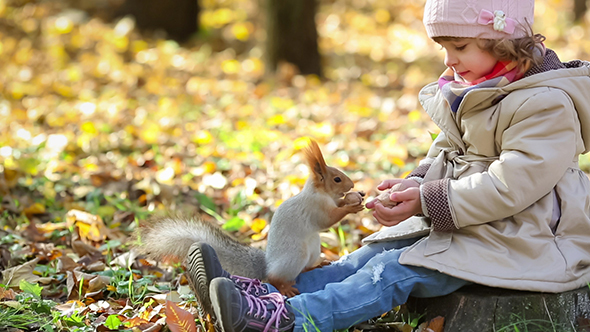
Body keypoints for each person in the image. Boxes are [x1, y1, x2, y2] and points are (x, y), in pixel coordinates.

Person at [188, 0, 590, 331]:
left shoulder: (545, 104)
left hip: (523, 240)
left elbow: (512, 185)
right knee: (366, 257)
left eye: (460, 47)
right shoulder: (479, 89)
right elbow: (445, 151)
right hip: (478, 224)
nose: (449, 60)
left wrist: (427, 200)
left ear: (503, 42)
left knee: (393, 271)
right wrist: (414, 183)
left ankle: (287, 320)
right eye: (444, 48)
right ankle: (262, 296)